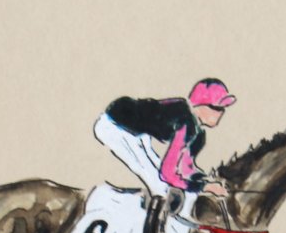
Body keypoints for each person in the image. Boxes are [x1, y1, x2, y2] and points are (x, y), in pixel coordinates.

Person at [93, 78, 234, 206]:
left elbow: (186, 168)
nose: (221, 112)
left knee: (164, 183)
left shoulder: (199, 134)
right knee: (160, 187)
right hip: (114, 125)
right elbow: (167, 173)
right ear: (200, 106)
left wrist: (205, 179)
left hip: (138, 134)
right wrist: (205, 187)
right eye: (217, 108)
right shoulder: (185, 123)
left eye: (223, 108)